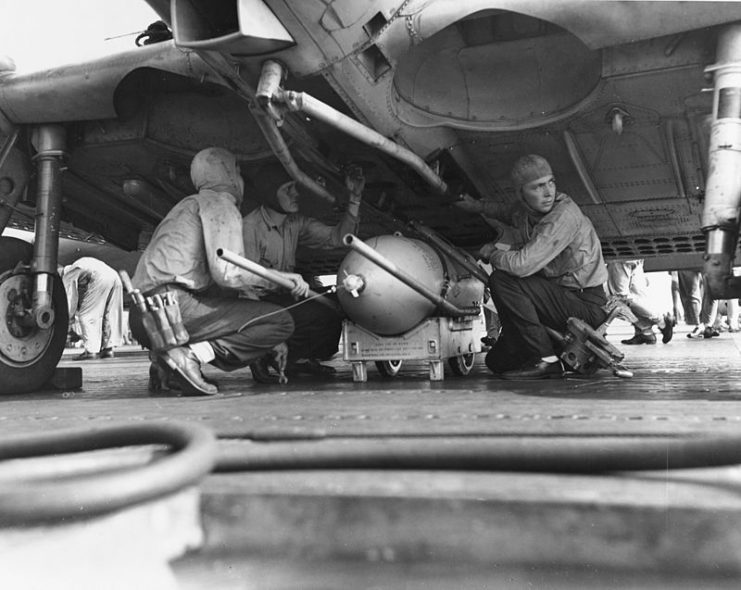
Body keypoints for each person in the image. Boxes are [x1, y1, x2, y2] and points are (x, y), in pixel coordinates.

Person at [129, 147, 299, 395]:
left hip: (142, 318)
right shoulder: (221, 204)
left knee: (229, 300)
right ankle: (189, 357)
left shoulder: (185, 206)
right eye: (238, 173)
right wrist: (281, 279)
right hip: (172, 310)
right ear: (230, 174)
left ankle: (164, 367)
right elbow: (228, 273)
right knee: (279, 321)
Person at [454, 154, 608, 379]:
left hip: (584, 304)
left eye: (551, 182)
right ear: (521, 194)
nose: (548, 192)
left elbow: (521, 266)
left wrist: (493, 253)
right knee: (497, 361)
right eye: (537, 187)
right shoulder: (527, 211)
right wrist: (474, 206)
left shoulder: (564, 215)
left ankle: (546, 359)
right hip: (558, 301)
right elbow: (506, 212)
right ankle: (546, 351)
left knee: (502, 280)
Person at [242, 165, 364, 382]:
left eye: (294, 188)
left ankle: (301, 360)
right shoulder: (250, 227)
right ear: (270, 193)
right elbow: (244, 281)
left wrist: (354, 199)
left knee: (339, 303)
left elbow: (338, 238)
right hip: (255, 302)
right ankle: (265, 355)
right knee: (316, 315)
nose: (296, 194)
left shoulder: (294, 222)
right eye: (288, 189)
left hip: (284, 295)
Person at [60, 257, 124, 360]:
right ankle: (108, 349)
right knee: (110, 314)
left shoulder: (68, 273)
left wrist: (67, 320)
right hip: (114, 276)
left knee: (86, 316)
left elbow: (70, 298)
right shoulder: (81, 264)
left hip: (100, 278)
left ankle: (91, 351)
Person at [605, 259, 674, 345]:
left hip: (619, 258)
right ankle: (646, 333)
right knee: (638, 296)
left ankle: (660, 320)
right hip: (635, 257)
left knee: (619, 298)